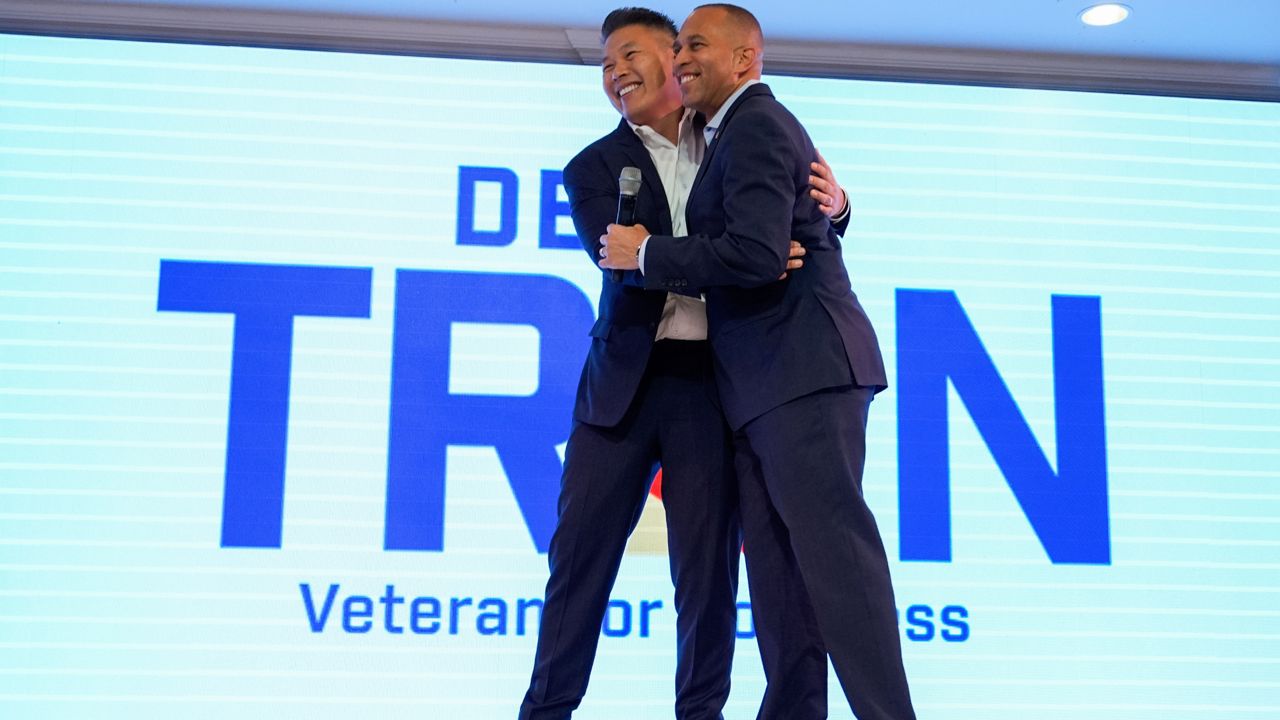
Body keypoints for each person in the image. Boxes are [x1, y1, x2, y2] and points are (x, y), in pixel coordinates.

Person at [519, 7, 850, 719]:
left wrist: (839, 207)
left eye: (630, 54)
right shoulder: (591, 168)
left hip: (709, 386)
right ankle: (545, 710)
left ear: (676, 57)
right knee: (577, 565)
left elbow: (794, 214)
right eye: (606, 65)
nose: (615, 74)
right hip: (619, 395)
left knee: (703, 577)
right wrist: (751, 263)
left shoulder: (734, 134)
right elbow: (623, 264)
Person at [599, 4, 917, 719]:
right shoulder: (727, 136)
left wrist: (645, 252)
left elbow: (756, 253)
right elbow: (766, 245)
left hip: (802, 374)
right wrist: (816, 221)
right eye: (678, 45)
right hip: (760, 391)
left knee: (836, 564)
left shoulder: (757, 125)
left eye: (698, 45)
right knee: (782, 586)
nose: (681, 57)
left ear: (745, 59)